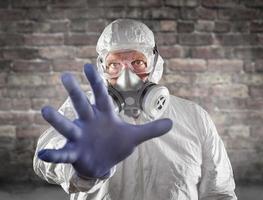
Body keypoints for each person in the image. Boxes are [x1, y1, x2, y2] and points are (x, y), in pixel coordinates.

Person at [33, 19, 237, 200]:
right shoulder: (85, 110)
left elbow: (219, 192)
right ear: (102, 67)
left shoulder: (194, 117)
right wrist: (80, 167)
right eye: (114, 65)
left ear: (155, 63)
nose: (126, 76)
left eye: (138, 62)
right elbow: (44, 157)